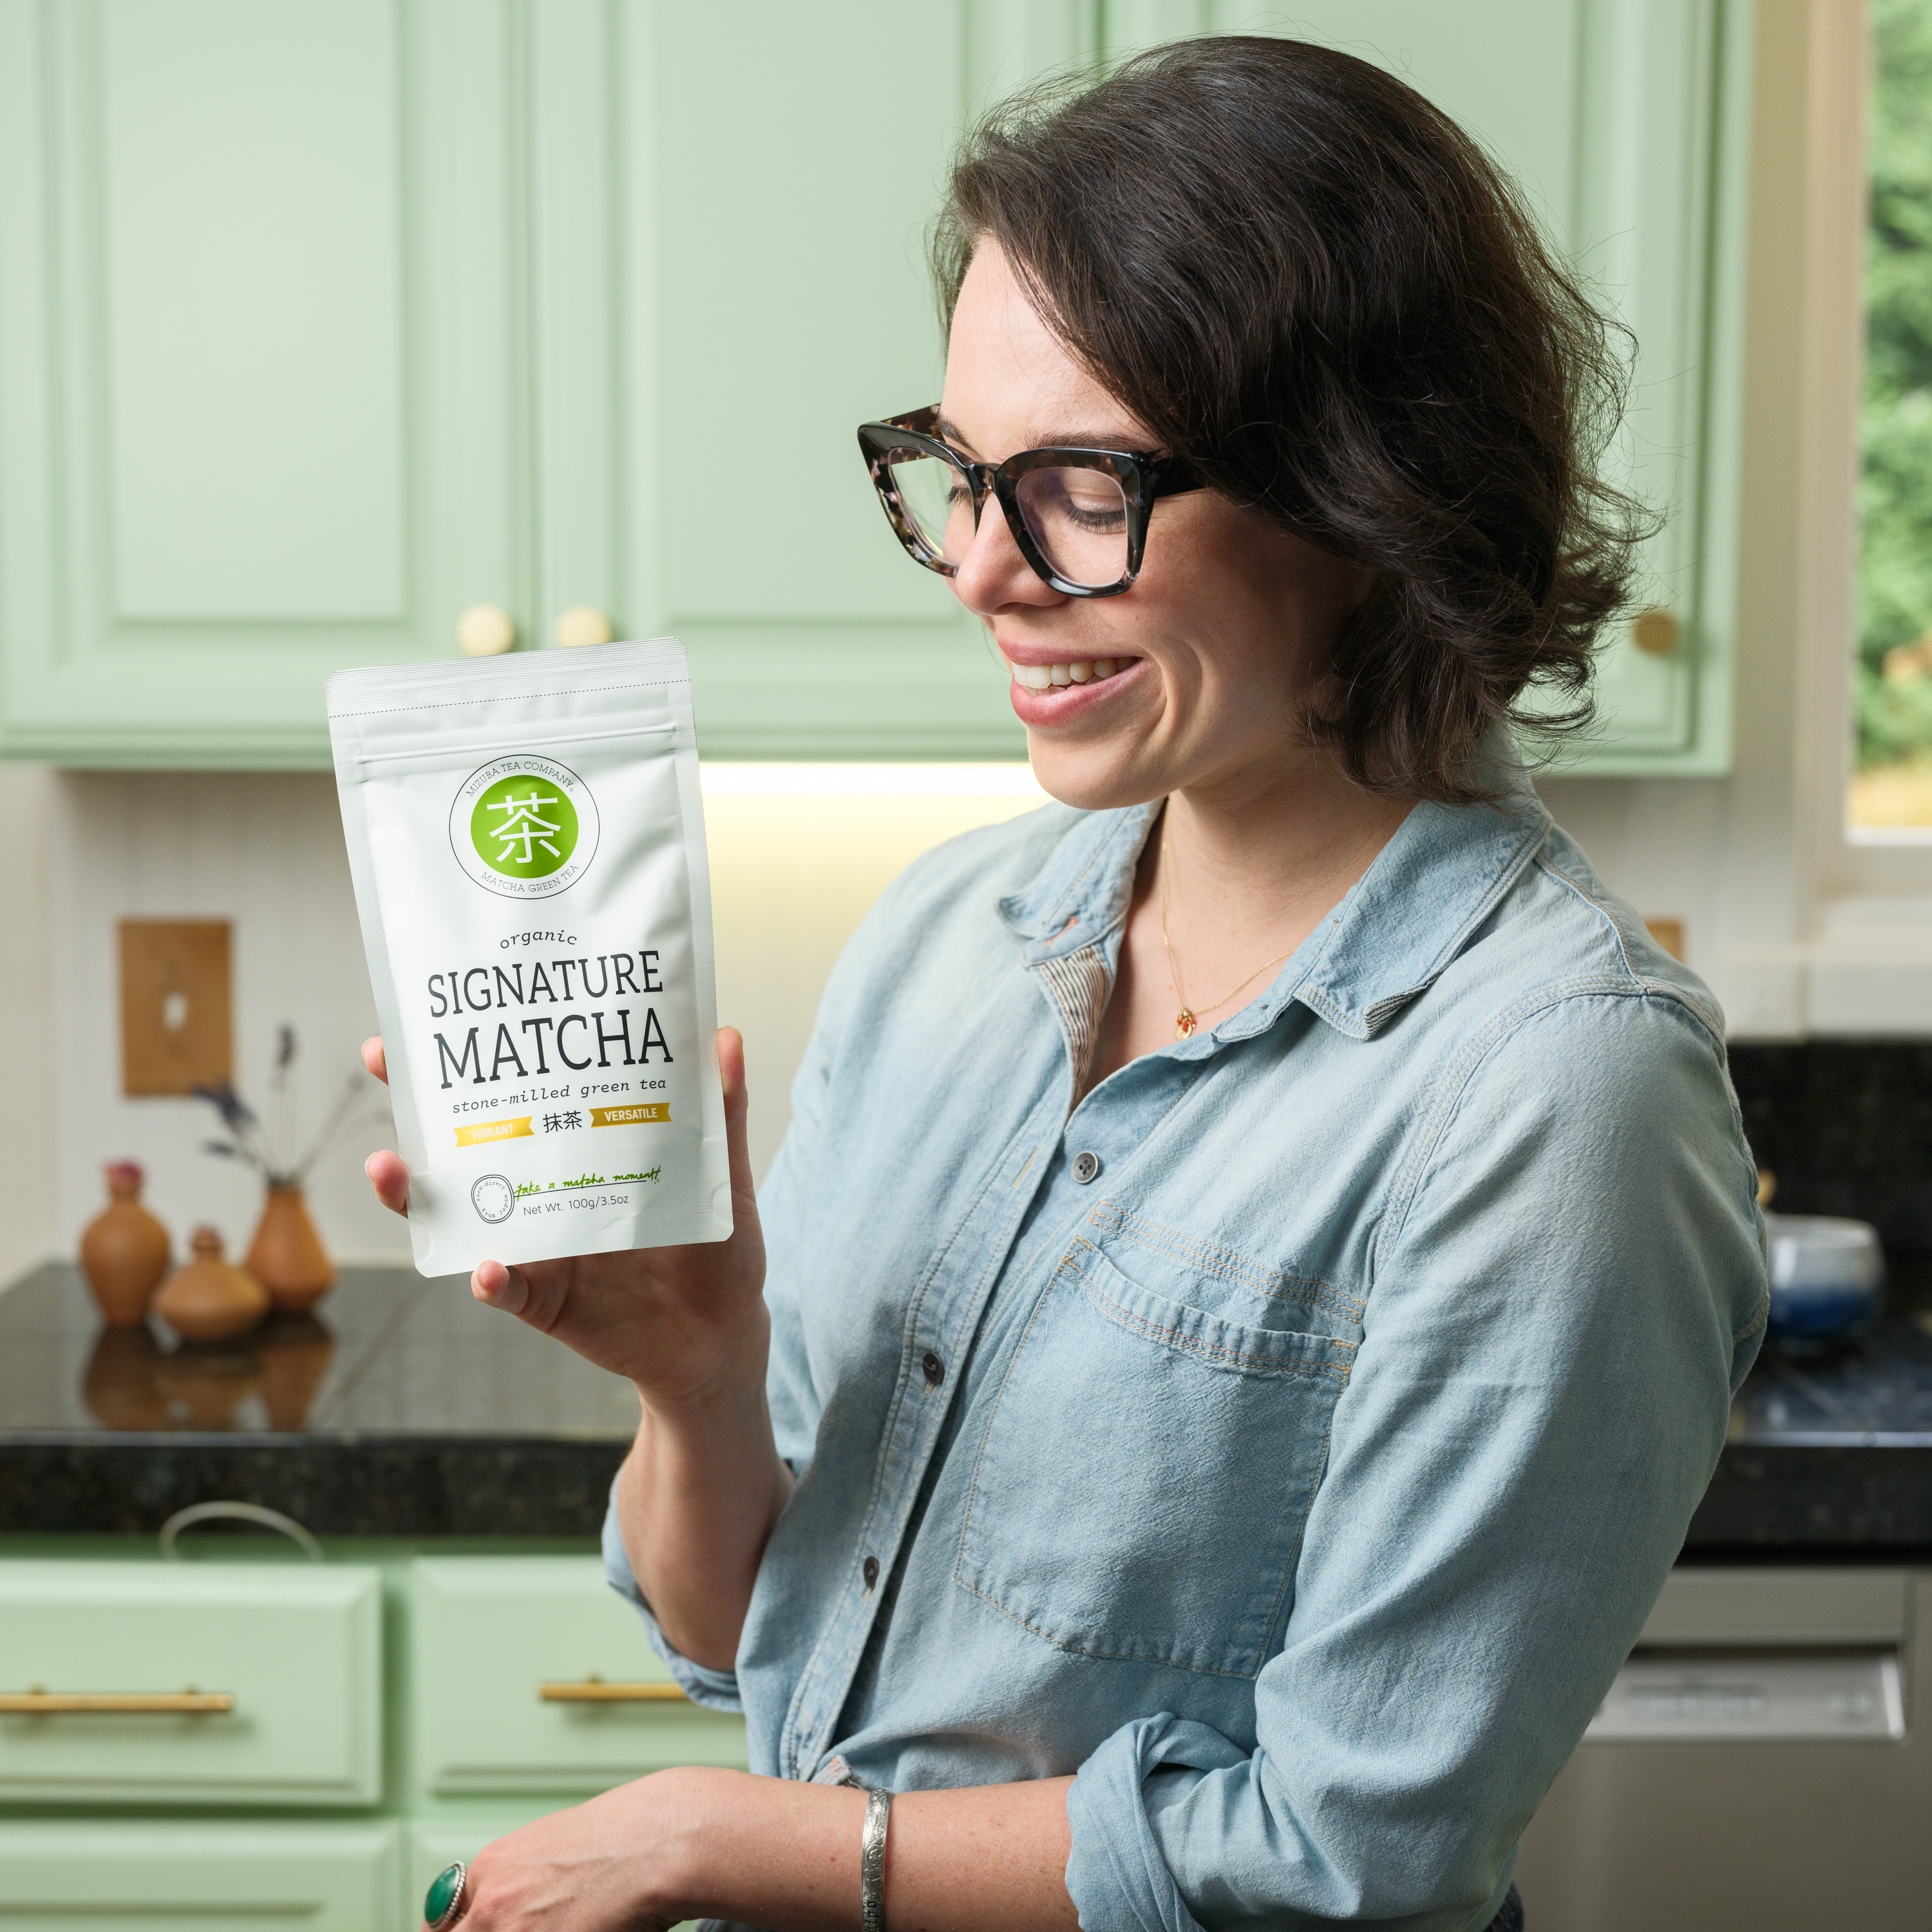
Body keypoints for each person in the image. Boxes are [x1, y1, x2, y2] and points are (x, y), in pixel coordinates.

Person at [367, 36, 1766, 1932]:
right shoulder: (947, 937)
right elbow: (741, 1640)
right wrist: (692, 1383)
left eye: (1079, 485)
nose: (976, 567)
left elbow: (1353, 1860)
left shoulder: (1554, 1096)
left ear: (1368, 491)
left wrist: (721, 1842)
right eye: (957, 473)